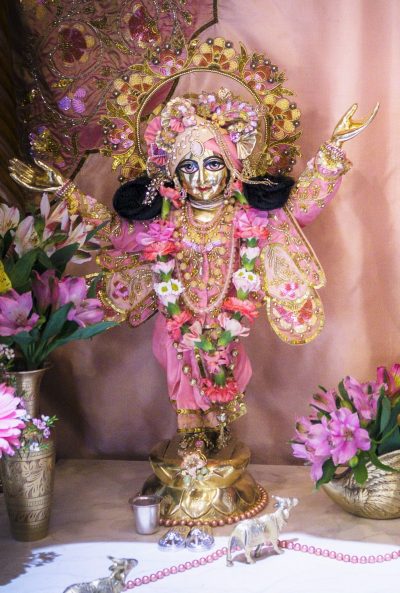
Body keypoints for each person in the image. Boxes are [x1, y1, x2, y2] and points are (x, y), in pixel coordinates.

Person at [9, 90, 378, 451]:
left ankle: (218, 439)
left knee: (224, 379)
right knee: (181, 376)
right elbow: (114, 232)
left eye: (212, 163)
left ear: (232, 166)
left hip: (227, 321)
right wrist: (65, 191)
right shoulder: (166, 219)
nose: (201, 177)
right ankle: (191, 440)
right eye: (189, 166)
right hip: (175, 323)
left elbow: (299, 208)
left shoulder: (247, 216)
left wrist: (333, 150)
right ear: (174, 175)